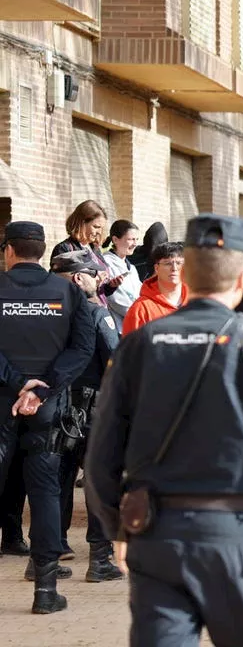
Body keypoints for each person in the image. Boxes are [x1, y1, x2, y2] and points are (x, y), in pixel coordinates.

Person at [84, 214, 243, 644]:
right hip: (241, 539)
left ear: (187, 275)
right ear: (241, 277)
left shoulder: (139, 345)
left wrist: (118, 529)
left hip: (159, 535)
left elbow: (101, 452)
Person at [0, 222, 95, 613]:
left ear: (8, 250)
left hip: (5, 402)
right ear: (40, 251)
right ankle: (45, 591)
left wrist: (19, 383)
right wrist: (41, 388)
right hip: (48, 407)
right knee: (45, 494)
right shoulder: (71, 293)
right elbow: (83, 348)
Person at [49, 250, 124, 583]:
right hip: (93, 411)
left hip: (56, 408)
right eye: (96, 274)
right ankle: (100, 559)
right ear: (80, 278)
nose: (101, 280)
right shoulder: (96, 314)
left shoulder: (48, 315)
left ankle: (44, 558)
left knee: (55, 485)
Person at [53, 201, 120, 305]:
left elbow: (101, 291)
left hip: (99, 308)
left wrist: (111, 286)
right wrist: (92, 283)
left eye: (101, 228)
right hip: (79, 310)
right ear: (82, 223)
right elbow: (62, 286)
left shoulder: (94, 248)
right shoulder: (65, 248)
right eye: (96, 227)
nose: (99, 232)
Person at [122, 241, 187, 335]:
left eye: (179, 263)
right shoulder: (140, 310)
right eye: (168, 263)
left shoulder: (197, 304)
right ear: (156, 268)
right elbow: (130, 348)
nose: (174, 268)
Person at [101, 220, 143, 328]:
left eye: (136, 239)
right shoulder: (106, 262)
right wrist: (139, 315)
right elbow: (115, 300)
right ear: (115, 240)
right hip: (117, 327)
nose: (135, 244)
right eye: (130, 239)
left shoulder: (132, 268)